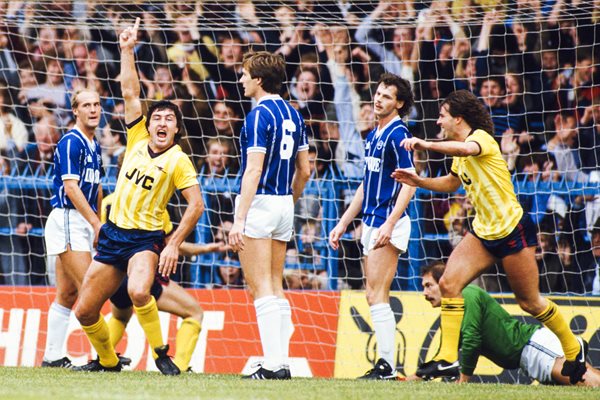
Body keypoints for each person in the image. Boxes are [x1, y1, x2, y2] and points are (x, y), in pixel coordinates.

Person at [392, 89, 587, 384]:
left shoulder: (480, 139)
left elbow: (467, 151)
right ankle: (446, 359)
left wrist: (424, 144)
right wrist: (419, 182)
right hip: (483, 232)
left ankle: (573, 349)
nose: (438, 121)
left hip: (512, 231)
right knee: (448, 283)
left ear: (458, 118)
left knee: (530, 302)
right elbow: (451, 182)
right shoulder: (459, 148)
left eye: (442, 115)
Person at [73, 18, 204, 375]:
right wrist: (127, 49)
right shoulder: (136, 138)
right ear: (149, 124)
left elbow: (197, 205)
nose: (161, 122)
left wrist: (174, 243)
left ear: (176, 129)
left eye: (169, 119)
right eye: (157, 117)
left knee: (140, 292)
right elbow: (131, 92)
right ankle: (108, 361)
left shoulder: (179, 160)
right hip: (113, 234)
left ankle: (161, 352)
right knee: (84, 312)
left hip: (145, 240)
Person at [228, 51, 311, 380]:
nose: (241, 79)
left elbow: (253, 170)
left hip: (260, 202)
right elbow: (305, 170)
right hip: (283, 203)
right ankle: (281, 361)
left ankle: (273, 365)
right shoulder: (294, 115)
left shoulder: (258, 116)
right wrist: (289, 201)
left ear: (259, 79)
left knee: (259, 285)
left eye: (245, 74)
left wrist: (239, 218)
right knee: (275, 284)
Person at [329, 73, 416, 380]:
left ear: (399, 103)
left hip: (386, 223)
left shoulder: (398, 134)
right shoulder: (374, 135)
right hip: (370, 221)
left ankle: (388, 366)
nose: (378, 99)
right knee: (372, 293)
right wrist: (342, 223)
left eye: (387, 96)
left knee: (377, 292)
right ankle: (386, 364)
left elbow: (410, 183)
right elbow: (366, 186)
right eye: (378, 94)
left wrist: (390, 223)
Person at [413, 262, 600, 387]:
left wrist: (463, 380)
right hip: (528, 355)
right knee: (584, 380)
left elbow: (472, 340)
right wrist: (408, 380)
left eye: (429, 285)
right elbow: (442, 358)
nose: (424, 293)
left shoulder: (467, 294)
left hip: (533, 346)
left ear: (444, 282)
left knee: (586, 381)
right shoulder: (451, 314)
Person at [41, 89, 103, 368]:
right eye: (86, 105)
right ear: (75, 111)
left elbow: (98, 187)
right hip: (68, 218)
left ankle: (52, 356)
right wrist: (95, 222)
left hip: (85, 221)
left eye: (97, 104)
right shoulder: (70, 142)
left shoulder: (94, 144)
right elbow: (71, 187)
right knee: (92, 287)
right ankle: (107, 353)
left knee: (67, 294)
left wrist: (98, 225)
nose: (93, 109)